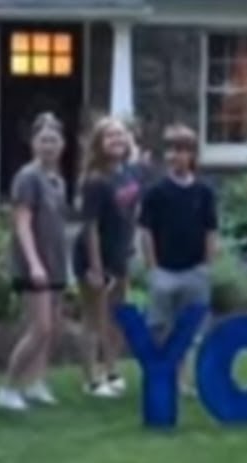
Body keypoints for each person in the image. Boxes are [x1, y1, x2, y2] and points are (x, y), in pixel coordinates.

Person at [0, 113, 69, 412]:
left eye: (54, 140)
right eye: (43, 140)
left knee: (53, 329)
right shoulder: (27, 177)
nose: (49, 146)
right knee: (39, 328)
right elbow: (22, 223)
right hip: (33, 264)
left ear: (62, 144)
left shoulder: (58, 180)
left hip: (56, 261)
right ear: (33, 144)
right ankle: (8, 387)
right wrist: (34, 263)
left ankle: (36, 382)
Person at [138, 123, 217, 396]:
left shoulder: (204, 192)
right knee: (162, 326)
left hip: (195, 269)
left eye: (182, 150)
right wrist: (153, 268)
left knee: (192, 329)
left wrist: (206, 266)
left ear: (192, 155)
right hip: (165, 271)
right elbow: (146, 231)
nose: (176, 156)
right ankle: (165, 375)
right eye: (171, 150)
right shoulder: (156, 191)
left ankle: (185, 379)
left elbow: (210, 230)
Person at [73, 116, 148, 397]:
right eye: (109, 136)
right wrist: (95, 266)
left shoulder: (129, 173)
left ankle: (111, 370)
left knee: (117, 315)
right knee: (93, 317)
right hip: (94, 255)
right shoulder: (95, 181)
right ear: (99, 144)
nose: (116, 140)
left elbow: (131, 211)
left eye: (120, 135)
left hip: (120, 254)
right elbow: (90, 226)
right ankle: (91, 379)